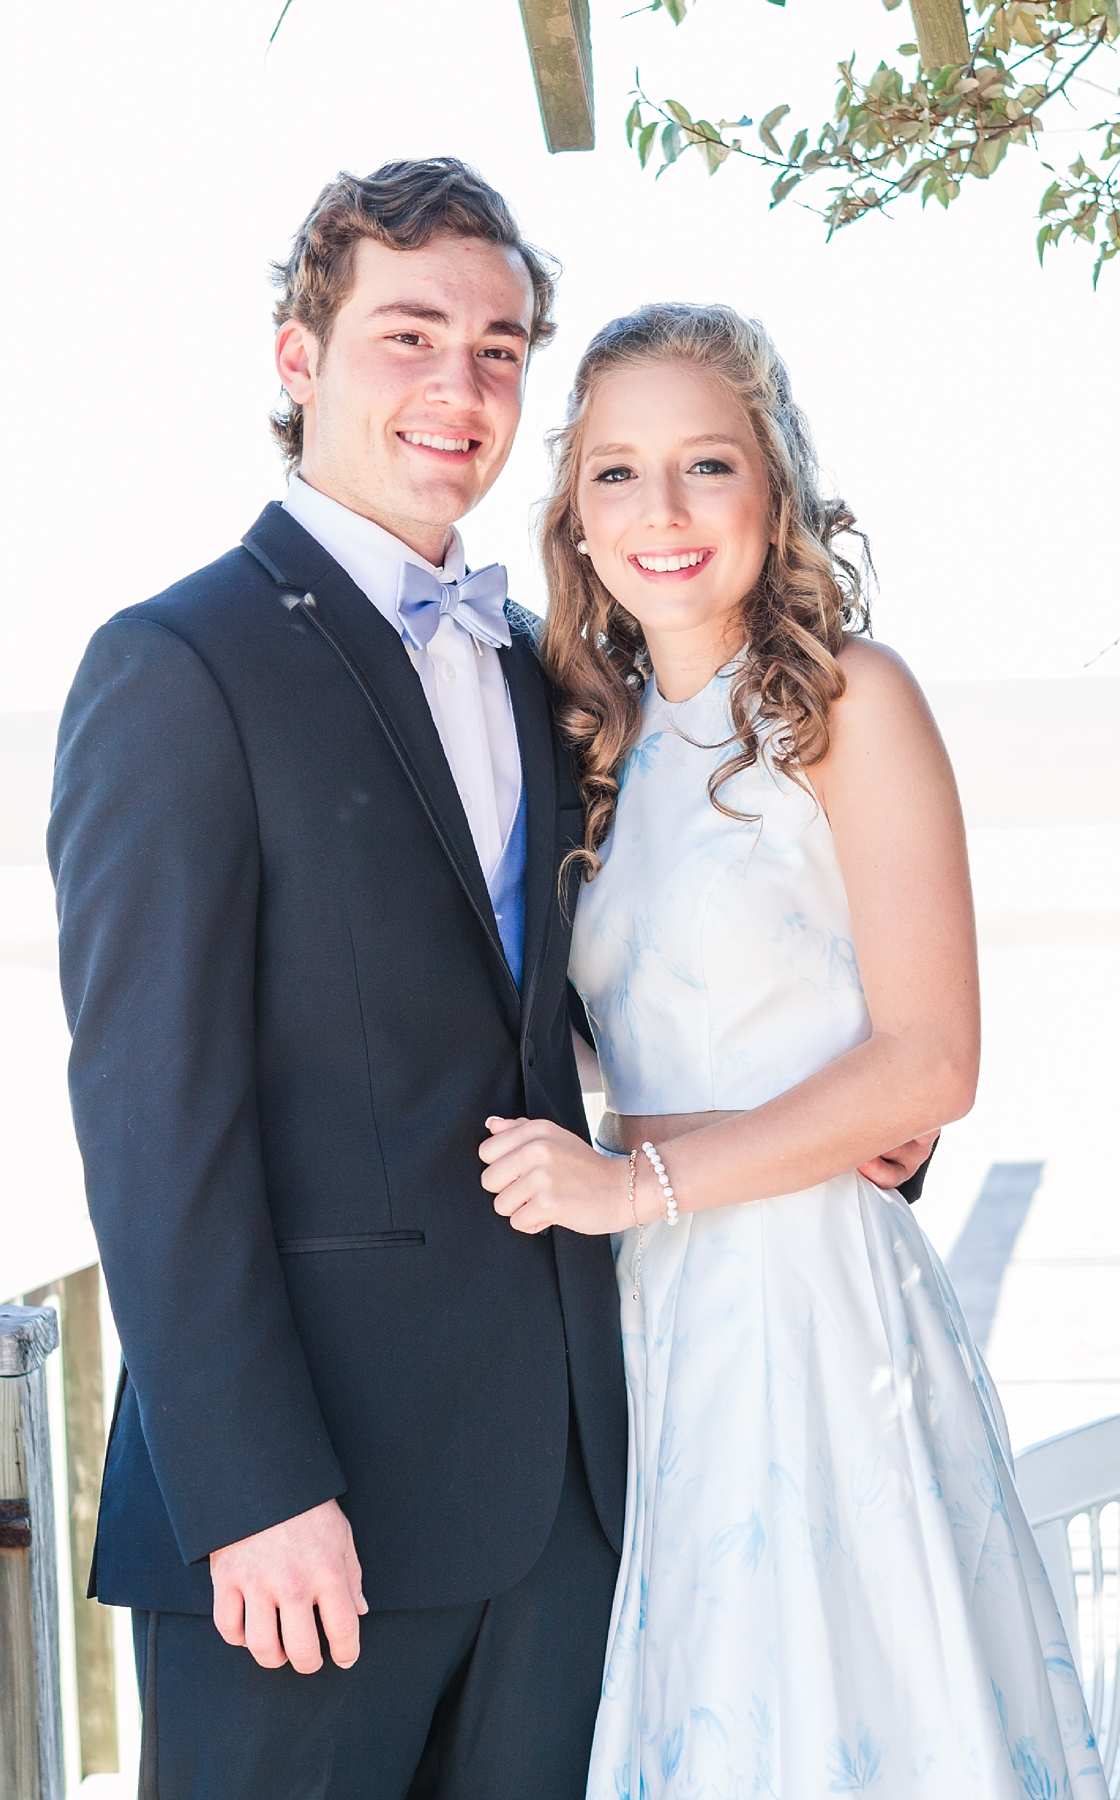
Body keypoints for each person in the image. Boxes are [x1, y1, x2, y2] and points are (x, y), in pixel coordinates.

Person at [47, 158, 633, 1800]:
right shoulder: (174, 668)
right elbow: (154, 1116)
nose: (463, 386)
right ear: (297, 361)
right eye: (411, 335)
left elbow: (610, 991)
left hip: (565, 1506)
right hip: (308, 1523)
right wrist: (249, 1486)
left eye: (502, 347)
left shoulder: (537, 672)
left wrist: (857, 1119)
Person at [479, 304, 1108, 1800]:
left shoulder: (850, 703)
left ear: (773, 485)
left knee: (854, 1714)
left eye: (705, 464)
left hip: (812, 1301)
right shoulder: (586, 742)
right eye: (619, 473)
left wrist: (642, 1180)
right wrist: (640, 1180)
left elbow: (930, 1062)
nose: (665, 513)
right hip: (648, 1322)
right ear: (575, 510)